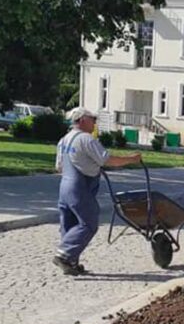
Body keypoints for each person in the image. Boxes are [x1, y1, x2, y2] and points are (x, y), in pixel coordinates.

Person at [54, 107, 142, 275]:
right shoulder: (86, 139)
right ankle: (63, 255)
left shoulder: (64, 140)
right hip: (78, 187)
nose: (94, 122)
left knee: (70, 224)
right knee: (89, 223)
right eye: (92, 119)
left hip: (64, 186)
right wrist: (132, 159)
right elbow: (108, 160)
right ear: (81, 120)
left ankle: (71, 261)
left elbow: (59, 167)